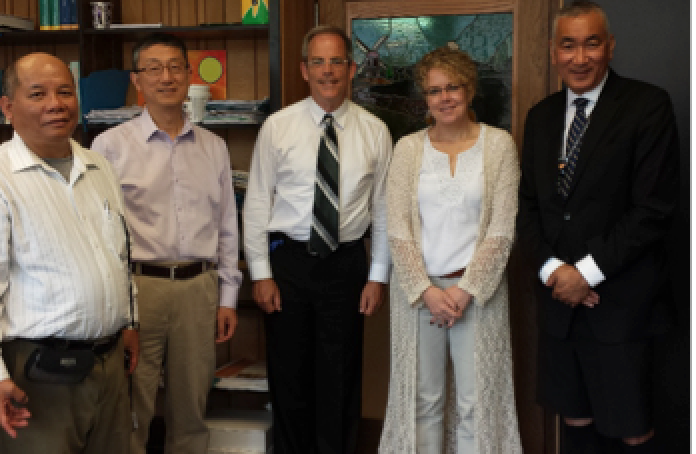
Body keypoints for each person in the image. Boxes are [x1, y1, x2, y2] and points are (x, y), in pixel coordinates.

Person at [0, 52, 139, 454]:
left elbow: (118, 255)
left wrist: (128, 320)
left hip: (110, 364)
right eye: (38, 93)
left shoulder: (99, 167)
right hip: (37, 376)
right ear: (8, 107)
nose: (56, 103)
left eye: (65, 92)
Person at [516, 2, 679, 453]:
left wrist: (584, 273)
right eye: (568, 45)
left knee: (633, 429)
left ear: (610, 46)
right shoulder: (541, 115)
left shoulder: (648, 105)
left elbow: (653, 210)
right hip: (559, 309)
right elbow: (527, 207)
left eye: (591, 43)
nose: (580, 57)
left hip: (622, 305)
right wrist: (553, 271)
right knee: (575, 421)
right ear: (553, 51)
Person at [243, 24, 392, 454]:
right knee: (289, 378)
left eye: (337, 62)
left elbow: (383, 211)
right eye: (319, 62)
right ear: (304, 69)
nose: (328, 71)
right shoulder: (278, 126)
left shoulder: (374, 131)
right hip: (288, 264)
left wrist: (377, 276)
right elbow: (256, 203)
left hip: (346, 264)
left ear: (352, 69)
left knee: (341, 378)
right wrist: (261, 273)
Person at [90, 32, 241, 454]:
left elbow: (228, 225)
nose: (166, 77)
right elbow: (102, 235)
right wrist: (118, 308)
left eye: (175, 66)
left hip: (199, 288)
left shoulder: (214, 147)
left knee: (192, 404)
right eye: (153, 68)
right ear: (138, 80)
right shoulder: (110, 147)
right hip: (140, 289)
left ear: (189, 76)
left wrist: (228, 297)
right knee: (132, 404)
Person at [378, 45, 522, 454]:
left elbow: (502, 229)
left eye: (453, 87)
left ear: (470, 89)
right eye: (434, 90)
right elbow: (398, 231)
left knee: (477, 405)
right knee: (423, 402)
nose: (445, 98)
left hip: (478, 294)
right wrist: (426, 290)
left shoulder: (499, 146)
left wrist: (465, 290)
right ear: (425, 98)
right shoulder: (408, 149)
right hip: (419, 296)